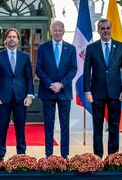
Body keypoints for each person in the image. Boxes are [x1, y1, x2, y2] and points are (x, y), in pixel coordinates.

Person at [83, 18, 122, 158]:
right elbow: (86, 71)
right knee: (97, 126)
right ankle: (98, 156)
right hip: (97, 93)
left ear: (111, 29)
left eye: (107, 28)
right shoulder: (92, 48)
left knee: (114, 126)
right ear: (98, 30)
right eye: (102, 28)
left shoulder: (121, 47)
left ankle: (113, 156)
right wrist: (87, 91)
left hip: (115, 93)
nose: (105, 31)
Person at [0, 28, 34, 161]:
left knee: (20, 128)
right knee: (2, 127)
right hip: (3, 99)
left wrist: (30, 95)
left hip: (21, 98)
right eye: (9, 37)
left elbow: (29, 79)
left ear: (18, 40)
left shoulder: (25, 57)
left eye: (14, 37)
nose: (12, 39)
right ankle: (0, 155)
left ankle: (21, 154)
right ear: (5, 40)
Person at [36, 20, 77, 159]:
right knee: (49, 124)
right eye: (55, 30)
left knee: (65, 125)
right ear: (51, 31)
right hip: (48, 92)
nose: (57, 33)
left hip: (64, 92)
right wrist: (51, 84)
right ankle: (49, 154)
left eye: (60, 30)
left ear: (63, 31)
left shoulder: (71, 49)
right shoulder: (43, 48)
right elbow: (39, 69)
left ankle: (65, 154)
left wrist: (61, 84)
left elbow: (73, 69)